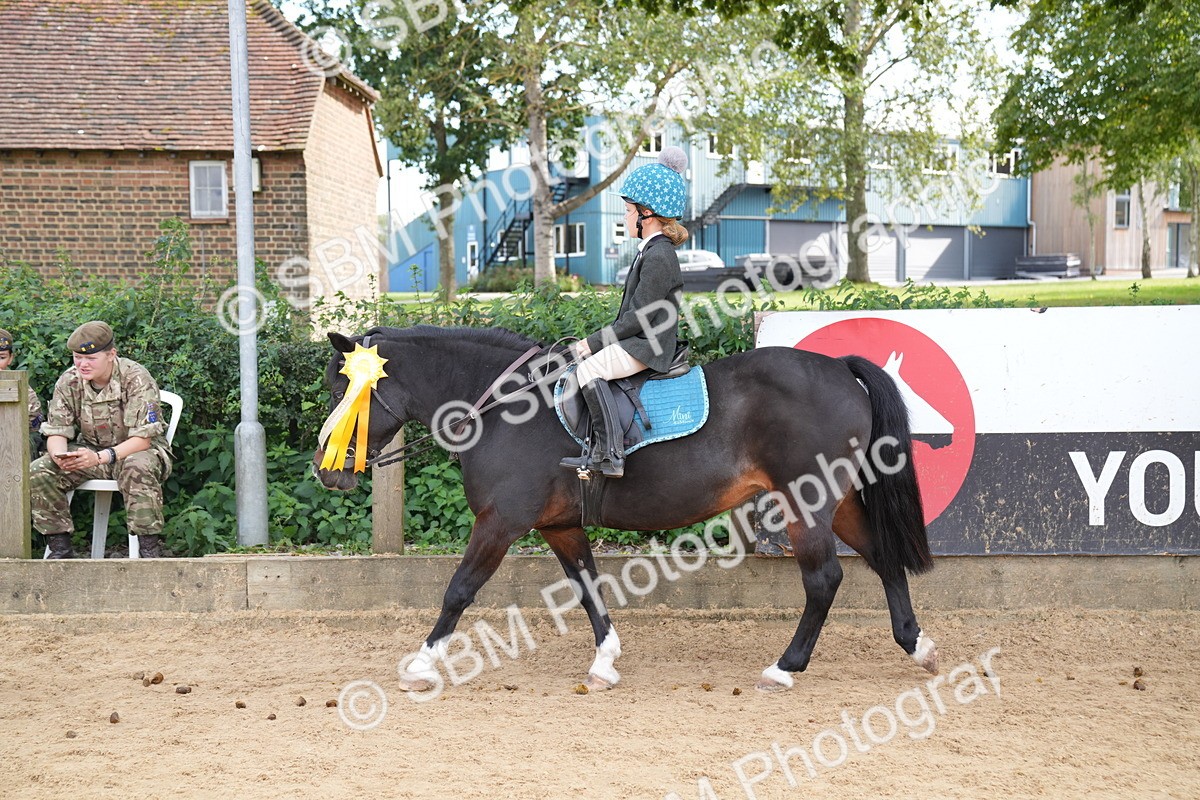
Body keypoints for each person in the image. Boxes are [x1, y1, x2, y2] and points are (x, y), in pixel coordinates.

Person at [560, 146, 690, 478]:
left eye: (629, 211)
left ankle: (610, 454)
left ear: (646, 214)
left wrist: (592, 342)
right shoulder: (651, 251)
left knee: (588, 371)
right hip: (640, 340)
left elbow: (638, 318)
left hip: (649, 346)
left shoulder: (659, 256)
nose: (625, 217)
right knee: (587, 366)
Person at [31, 321, 173, 558]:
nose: (82, 364)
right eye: (77, 357)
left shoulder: (135, 377)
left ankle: (149, 551)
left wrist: (99, 458)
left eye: (91, 359)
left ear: (111, 355)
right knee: (40, 470)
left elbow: (143, 439)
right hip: (90, 453)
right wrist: (60, 457)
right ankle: (60, 549)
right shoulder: (69, 380)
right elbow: (57, 429)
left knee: (136, 466)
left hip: (136, 451)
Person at [0, 328, 45, 455]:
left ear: (10, 359)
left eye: (1, 357)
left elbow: (33, 423)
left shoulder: (21, 387)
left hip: (16, 437)